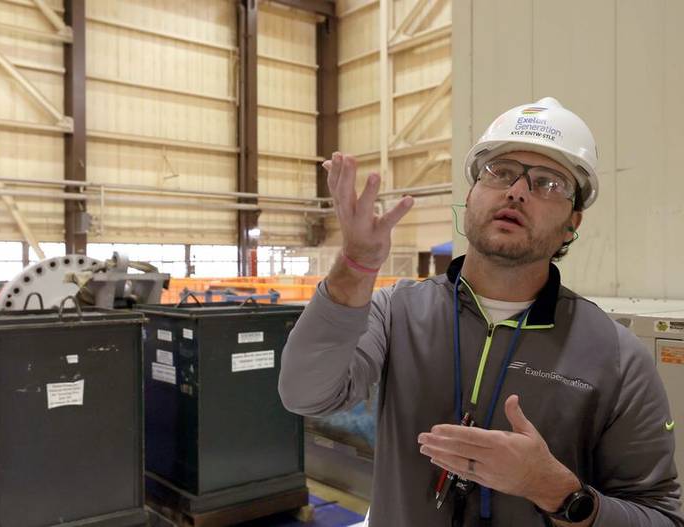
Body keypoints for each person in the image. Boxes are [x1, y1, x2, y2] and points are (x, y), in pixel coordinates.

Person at [278, 97, 683, 526]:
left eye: (548, 182)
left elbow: (660, 518)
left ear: (573, 223)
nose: (517, 190)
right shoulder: (397, 312)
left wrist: (555, 491)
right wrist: (353, 267)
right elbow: (305, 394)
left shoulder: (616, 357)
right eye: (501, 173)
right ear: (471, 194)